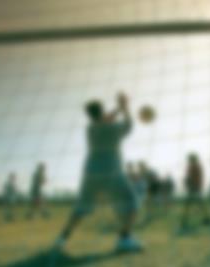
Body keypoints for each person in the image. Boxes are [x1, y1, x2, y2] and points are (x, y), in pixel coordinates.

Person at [52, 93, 142, 256]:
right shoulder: (113, 128)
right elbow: (129, 125)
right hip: (112, 172)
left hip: (90, 173)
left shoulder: (90, 128)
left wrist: (118, 108)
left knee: (81, 208)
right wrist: (125, 107)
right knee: (132, 203)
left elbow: (104, 118)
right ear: (102, 112)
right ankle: (124, 239)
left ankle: (62, 239)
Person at [181, 153, 210, 228]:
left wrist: (194, 185)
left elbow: (195, 177)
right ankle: (206, 218)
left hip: (194, 187)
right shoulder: (193, 166)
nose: (189, 160)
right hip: (194, 187)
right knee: (196, 203)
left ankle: (185, 220)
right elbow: (190, 177)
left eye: (190, 159)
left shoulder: (194, 166)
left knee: (193, 203)